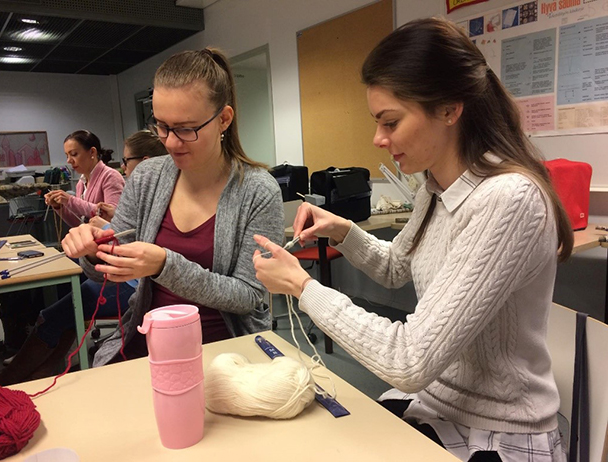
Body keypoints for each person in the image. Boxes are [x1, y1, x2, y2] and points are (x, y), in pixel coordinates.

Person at [253, 18, 572, 462]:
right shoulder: (434, 186)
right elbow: (395, 266)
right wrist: (342, 230)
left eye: (391, 122)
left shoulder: (508, 200)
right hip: (438, 406)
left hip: (500, 432)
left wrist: (303, 288)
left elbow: (408, 361)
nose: (378, 139)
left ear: (448, 109)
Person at [62, 48, 284, 366]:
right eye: (162, 126)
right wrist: (93, 250)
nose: (170, 142)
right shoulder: (148, 178)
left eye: (185, 129)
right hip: (149, 344)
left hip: (228, 354)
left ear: (223, 119)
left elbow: (248, 295)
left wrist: (165, 265)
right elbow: (108, 267)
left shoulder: (258, 191)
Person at [0, 131, 168, 386]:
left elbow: (126, 240)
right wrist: (65, 209)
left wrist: (98, 221)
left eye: (126, 161)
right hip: (117, 270)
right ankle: (45, 366)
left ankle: (12, 377)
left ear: (147, 161)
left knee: (63, 304)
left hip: (131, 281)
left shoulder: (115, 181)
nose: (122, 167)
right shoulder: (93, 184)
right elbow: (93, 227)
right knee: (64, 302)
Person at [44, 130, 125, 227]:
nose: (69, 160)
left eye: (74, 154)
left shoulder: (110, 176)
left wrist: (70, 201)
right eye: (67, 155)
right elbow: (79, 222)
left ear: (92, 152)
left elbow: (112, 216)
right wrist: (59, 206)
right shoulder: (81, 183)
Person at [90, 130, 169, 226]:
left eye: (126, 160)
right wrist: (116, 216)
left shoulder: (159, 199)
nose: (123, 166)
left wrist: (106, 227)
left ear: (145, 163)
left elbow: (143, 236)